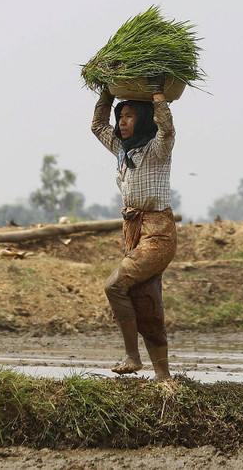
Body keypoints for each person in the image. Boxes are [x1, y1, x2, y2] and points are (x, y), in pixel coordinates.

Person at [91, 78, 176, 379]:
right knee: (146, 301)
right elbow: (97, 126)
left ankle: (132, 357)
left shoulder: (157, 149)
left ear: (142, 120)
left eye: (129, 116)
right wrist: (105, 91)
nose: (122, 122)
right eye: (120, 116)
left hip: (158, 232)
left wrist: (157, 96)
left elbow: (167, 129)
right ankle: (164, 378)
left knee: (114, 285)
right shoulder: (121, 149)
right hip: (134, 232)